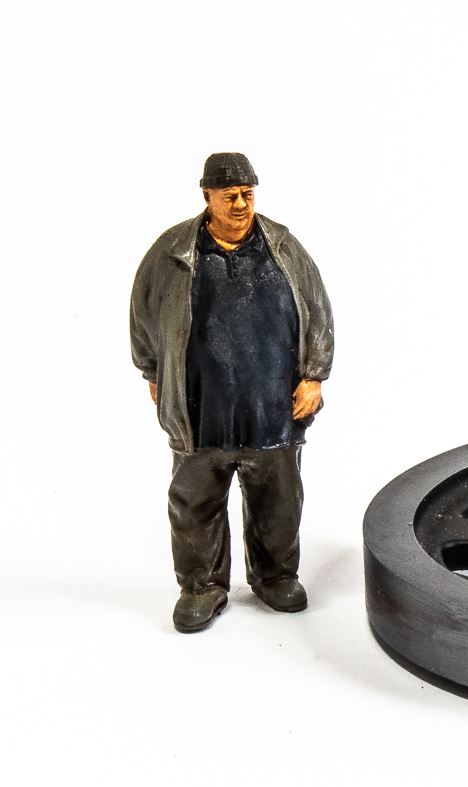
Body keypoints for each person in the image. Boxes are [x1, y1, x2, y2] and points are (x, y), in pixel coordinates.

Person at [130, 153, 334, 633]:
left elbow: (317, 311)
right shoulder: (172, 252)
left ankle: (276, 576)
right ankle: (201, 586)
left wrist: (314, 376)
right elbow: (143, 313)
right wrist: (153, 372)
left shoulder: (283, 247)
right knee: (195, 502)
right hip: (202, 409)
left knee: (278, 500)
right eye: (230, 196)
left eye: (247, 194)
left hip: (273, 407)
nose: (241, 204)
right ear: (208, 197)